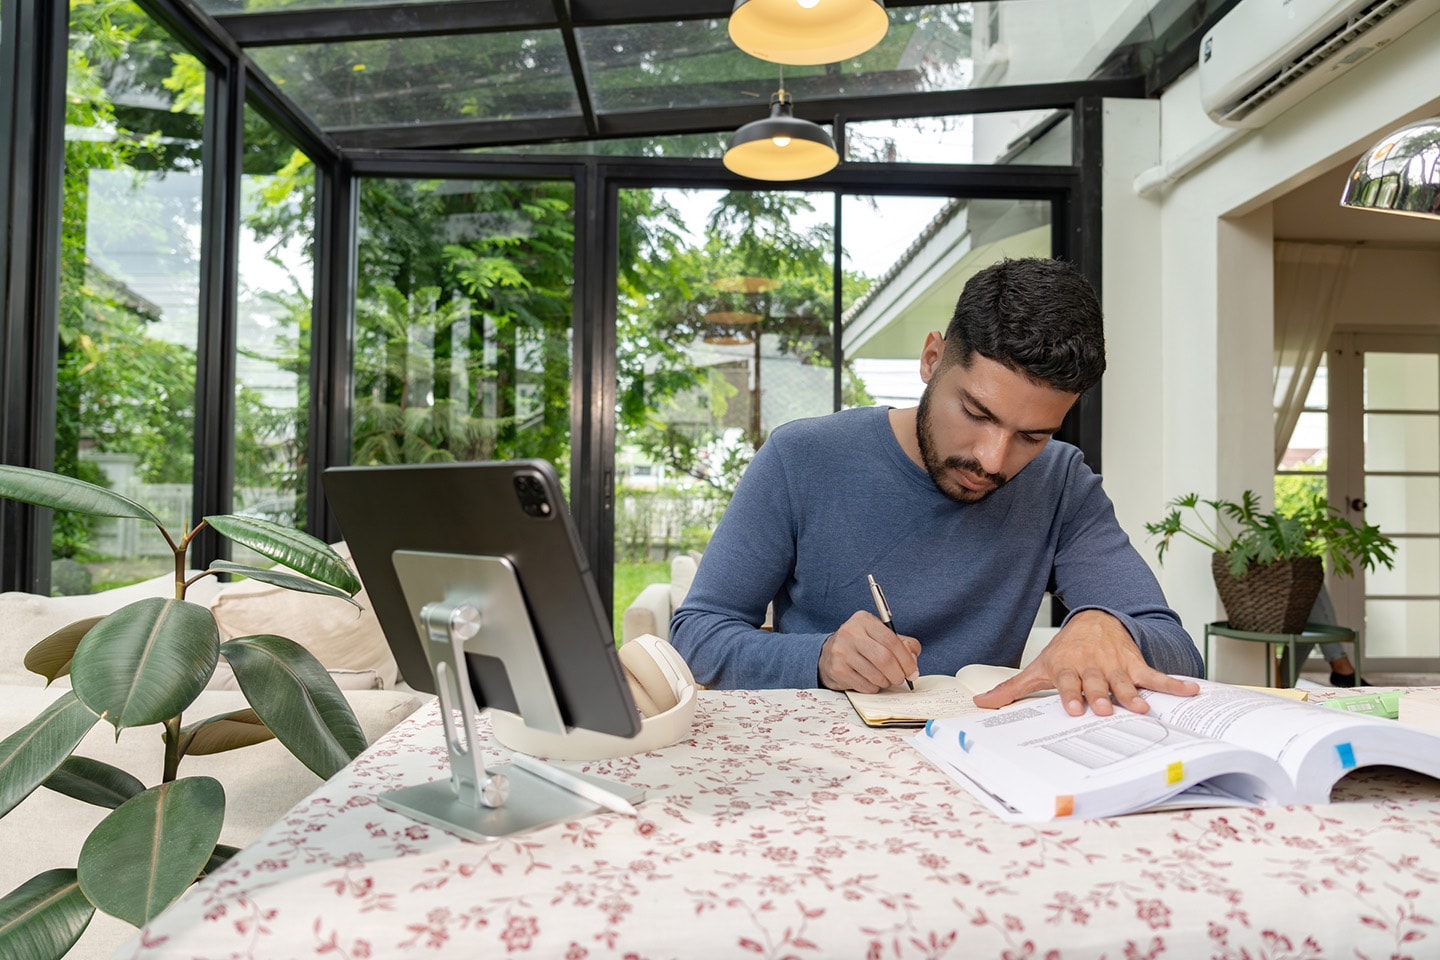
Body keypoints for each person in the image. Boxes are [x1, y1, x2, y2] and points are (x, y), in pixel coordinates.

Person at [669, 257, 1203, 717]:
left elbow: (1181, 652)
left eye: (1032, 436)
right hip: (821, 767)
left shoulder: (1061, 483)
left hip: (984, 764)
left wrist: (1107, 626)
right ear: (931, 359)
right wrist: (820, 656)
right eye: (975, 412)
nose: (992, 460)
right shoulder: (801, 457)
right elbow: (695, 635)